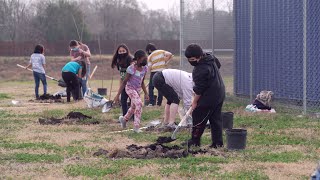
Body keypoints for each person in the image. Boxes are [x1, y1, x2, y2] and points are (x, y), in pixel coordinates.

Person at [184, 44, 225, 148]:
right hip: (219, 92)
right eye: (188, 59)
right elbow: (218, 65)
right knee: (215, 118)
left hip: (210, 95)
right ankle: (217, 143)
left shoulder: (200, 69)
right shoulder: (210, 57)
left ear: (199, 56)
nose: (191, 61)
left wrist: (194, 102)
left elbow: (199, 89)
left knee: (199, 116)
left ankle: (195, 141)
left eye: (192, 59)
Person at [114, 50, 149, 133]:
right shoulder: (131, 69)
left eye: (146, 59)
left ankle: (124, 119)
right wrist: (117, 95)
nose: (145, 61)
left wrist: (146, 93)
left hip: (137, 90)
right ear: (138, 59)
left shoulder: (145, 68)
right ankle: (136, 127)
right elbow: (124, 82)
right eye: (144, 59)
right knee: (139, 104)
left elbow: (142, 82)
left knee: (133, 107)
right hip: (129, 88)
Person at [111, 44, 133, 116]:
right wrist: (120, 86)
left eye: (123, 51)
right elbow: (121, 76)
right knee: (123, 100)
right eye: (120, 51)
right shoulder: (118, 61)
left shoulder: (130, 59)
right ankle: (125, 116)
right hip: (124, 83)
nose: (122, 53)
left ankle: (133, 116)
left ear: (127, 51)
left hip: (132, 83)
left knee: (132, 100)